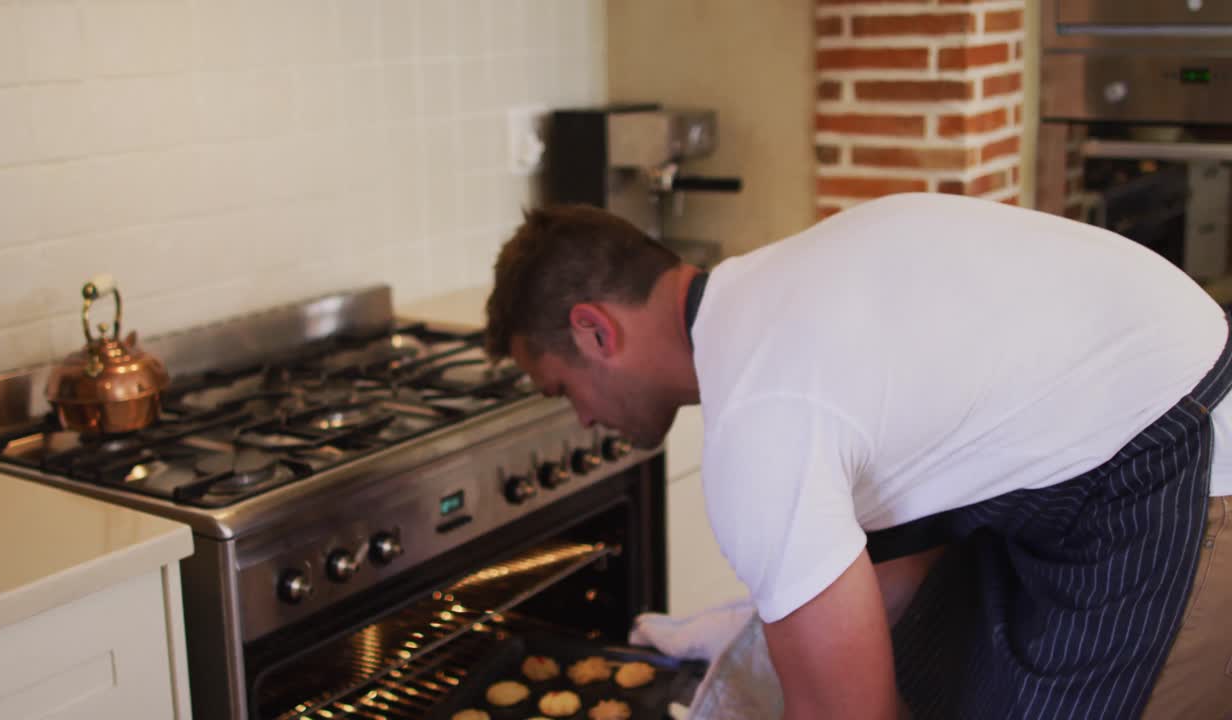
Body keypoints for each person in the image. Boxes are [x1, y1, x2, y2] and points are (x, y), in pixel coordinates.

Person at [484, 193, 1232, 719]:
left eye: (561, 390)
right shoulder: (781, 290)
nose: (583, 419)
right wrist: (754, 641)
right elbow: (888, 589)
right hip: (1125, 442)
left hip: (1172, 473)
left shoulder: (757, 418)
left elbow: (848, 713)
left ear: (594, 332)